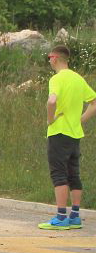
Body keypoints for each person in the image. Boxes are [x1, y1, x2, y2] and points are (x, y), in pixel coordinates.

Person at [40, 45, 96, 229]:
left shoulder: (56, 79)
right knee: (74, 173)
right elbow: (93, 102)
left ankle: (61, 216)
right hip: (74, 133)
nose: (49, 61)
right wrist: (80, 120)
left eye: (49, 57)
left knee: (59, 173)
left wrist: (50, 119)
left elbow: (52, 101)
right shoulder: (78, 79)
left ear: (55, 58)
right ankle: (75, 216)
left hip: (59, 132)